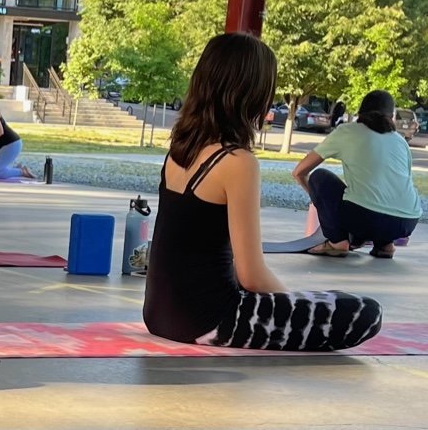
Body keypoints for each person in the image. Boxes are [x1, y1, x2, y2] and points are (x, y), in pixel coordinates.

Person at [143, 33, 382, 351]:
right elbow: (251, 274)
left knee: (333, 299)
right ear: (251, 94)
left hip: (159, 315)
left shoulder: (179, 150)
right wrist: (292, 303)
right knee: (365, 312)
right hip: (208, 321)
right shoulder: (237, 162)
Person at [292, 90, 421, 259]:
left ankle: (337, 243)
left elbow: (300, 171)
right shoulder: (400, 141)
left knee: (319, 177)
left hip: (365, 218)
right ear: (392, 117)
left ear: (360, 113)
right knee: (377, 198)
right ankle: (385, 245)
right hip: (407, 222)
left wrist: (319, 201)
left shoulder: (347, 131)